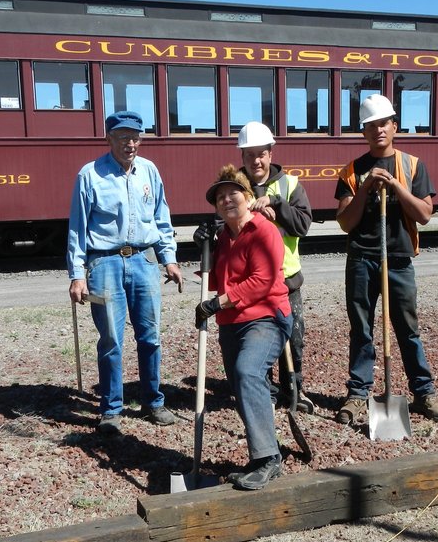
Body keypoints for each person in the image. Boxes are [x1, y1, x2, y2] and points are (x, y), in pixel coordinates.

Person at [333, 94, 438, 426]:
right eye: (370, 126)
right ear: (363, 132)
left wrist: (398, 188)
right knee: (361, 329)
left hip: (398, 259)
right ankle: (358, 394)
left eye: (383, 123)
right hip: (361, 260)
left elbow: (425, 214)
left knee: (408, 329)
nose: (377, 130)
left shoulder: (413, 166)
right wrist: (365, 188)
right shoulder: (352, 171)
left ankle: (424, 394)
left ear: (394, 126)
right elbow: (345, 222)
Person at [67, 110, 184, 436]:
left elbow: (162, 219)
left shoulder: (149, 171)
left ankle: (153, 402)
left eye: (134, 137)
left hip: (144, 262)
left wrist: (169, 260)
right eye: (122, 138)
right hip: (104, 263)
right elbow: (78, 229)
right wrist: (77, 275)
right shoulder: (89, 175)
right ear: (109, 139)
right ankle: (111, 410)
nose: (129, 143)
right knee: (111, 340)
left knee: (150, 337)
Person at [195, 165, 292, 490]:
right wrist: (204, 250)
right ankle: (261, 454)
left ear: (247, 197)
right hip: (232, 323)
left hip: (267, 317)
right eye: (219, 197)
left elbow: (262, 282)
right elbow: (215, 282)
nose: (225, 200)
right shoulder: (223, 238)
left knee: (249, 372)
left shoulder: (264, 231)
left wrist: (217, 303)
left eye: (231, 193)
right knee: (241, 383)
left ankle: (268, 459)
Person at [236, 121, 314, 412]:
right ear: (242, 156)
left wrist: (278, 207)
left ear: (270, 153)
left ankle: (293, 390)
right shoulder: (235, 186)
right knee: (258, 338)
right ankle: (264, 390)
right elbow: (224, 227)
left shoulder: (290, 185)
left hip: (287, 279)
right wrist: (255, 219)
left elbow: (302, 225)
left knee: (293, 338)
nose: (255, 160)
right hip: (252, 281)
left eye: (261, 153)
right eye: (249, 154)